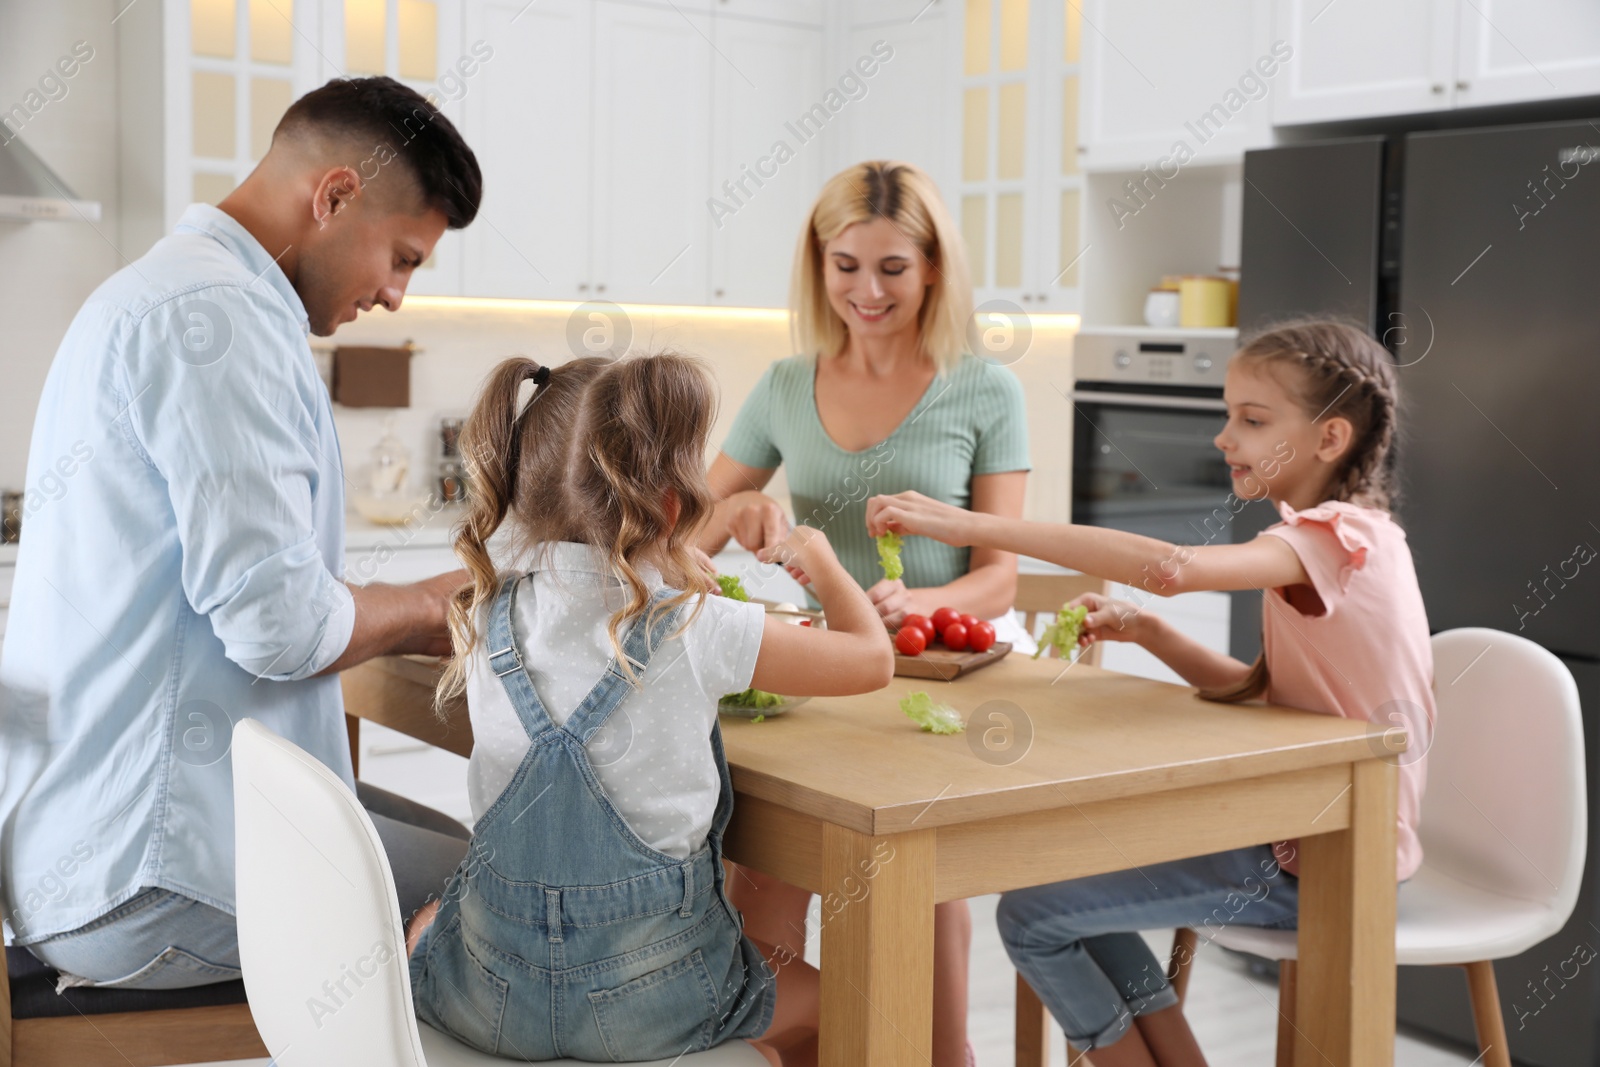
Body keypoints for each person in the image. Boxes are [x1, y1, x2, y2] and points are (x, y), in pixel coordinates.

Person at [0, 77, 483, 990]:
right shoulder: (216, 320)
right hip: (142, 882)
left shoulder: (172, 292)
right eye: (404, 257)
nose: (394, 295)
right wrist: (428, 605)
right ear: (335, 196)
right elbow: (281, 628)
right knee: (521, 909)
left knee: (458, 853)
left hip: (88, 848)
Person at [865, 321, 1434, 1067]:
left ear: (1330, 439)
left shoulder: (1333, 539)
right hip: (1307, 827)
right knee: (1065, 898)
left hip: (1331, 858)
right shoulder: (1346, 538)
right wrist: (1154, 635)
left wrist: (969, 522)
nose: (1225, 437)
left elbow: (1170, 565)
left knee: (1034, 915)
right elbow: (1260, 692)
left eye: (1254, 420)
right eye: (1229, 413)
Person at [405, 353, 893, 1066]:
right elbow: (872, 657)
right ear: (672, 504)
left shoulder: (482, 610)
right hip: (651, 1007)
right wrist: (819, 557)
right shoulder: (698, 625)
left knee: (428, 920)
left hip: (493, 1006)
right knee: (840, 999)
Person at [700, 159, 1029, 1067]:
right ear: (820, 264)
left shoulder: (984, 389)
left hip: (938, 676)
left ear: (933, 268)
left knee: (915, 872)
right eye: (847, 266)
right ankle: (790, 1045)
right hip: (832, 674)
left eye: (892, 267)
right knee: (762, 854)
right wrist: (735, 513)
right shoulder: (783, 384)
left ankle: (944, 1053)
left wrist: (918, 599)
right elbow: (685, 524)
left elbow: (999, 574)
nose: (867, 291)